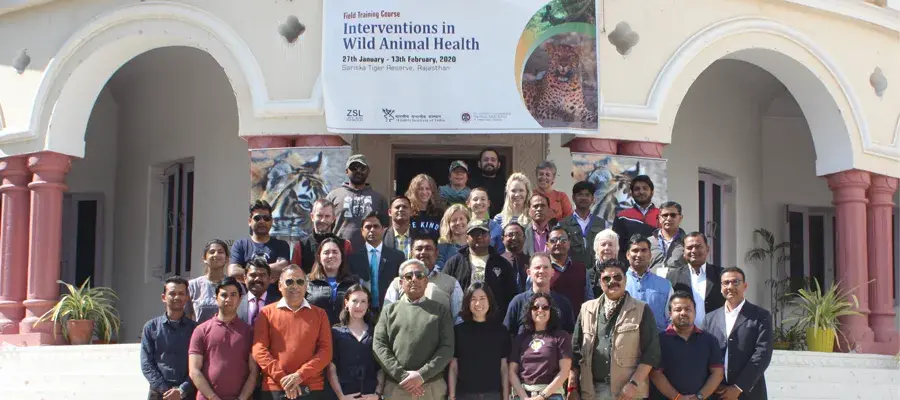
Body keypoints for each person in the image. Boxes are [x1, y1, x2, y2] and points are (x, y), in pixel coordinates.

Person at [569, 259, 660, 400]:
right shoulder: (586, 309)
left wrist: (634, 383)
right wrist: (572, 387)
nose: (612, 281)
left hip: (628, 392)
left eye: (617, 277)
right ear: (600, 282)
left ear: (625, 279)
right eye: (606, 278)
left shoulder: (641, 309)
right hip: (593, 391)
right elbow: (576, 352)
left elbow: (651, 353)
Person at [373, 259, 455, 400]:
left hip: (431, 388)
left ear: (426, 281)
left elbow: (447, 348)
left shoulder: (440, 311)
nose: (414, 279)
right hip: (397, 387)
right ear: (401, 282)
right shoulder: (389, 311)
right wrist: (403, 376)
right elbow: (379, 346)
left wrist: (422, 375)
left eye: (419, 275)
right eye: (409, 276)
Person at [252, 265, 333, 400]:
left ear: (306, 286)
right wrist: (283, 378)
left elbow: (326, 352)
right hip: (275, 388)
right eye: (289, 281)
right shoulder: (266, 313)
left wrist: (300, 375)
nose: (295, 286)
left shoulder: (320, 314)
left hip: (311, 388)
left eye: (300, 281)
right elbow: (259, 350)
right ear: (280, 285)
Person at [701, 267, 773, 400]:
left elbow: (762, 354)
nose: (730, 287)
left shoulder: (761, 316)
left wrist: (739, 387)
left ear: (745, 286)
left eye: (735, 282)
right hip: (716, 393)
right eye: (726, 283)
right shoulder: (710, 318)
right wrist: (713, 385)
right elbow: (704, 354)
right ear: (721, 287)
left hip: (749, 392)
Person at [188, 277, 259, 400]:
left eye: (233, 295)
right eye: (224, 295)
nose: (228, 299)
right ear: (216, 298)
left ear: (240, 299)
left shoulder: (249, 332)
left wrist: (241, 398)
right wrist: (213, 397)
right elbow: (194, 370)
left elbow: (254, 372)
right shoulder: (201, 330)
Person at [649, 291, 724, 400]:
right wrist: (677, 397)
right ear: (670, 314)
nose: (683, 313)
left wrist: (699, 397)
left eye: (688, 309)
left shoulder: (709, 340)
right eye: (678, 309)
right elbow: (655, 374)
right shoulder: (658, 341)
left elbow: (717, 373)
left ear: (695, 312)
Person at [442, 219, 519, 318]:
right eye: (474, 234)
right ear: (466, 238)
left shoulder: (503, 264)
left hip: (493, 321)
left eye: (483, 233)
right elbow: (444, 292)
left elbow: (511, 296)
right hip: (461, 320)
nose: (479, 237)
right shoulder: (454, 263)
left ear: (490, 236)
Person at [449, 283, 511, 400]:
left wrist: (506, 397)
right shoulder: (458, 331)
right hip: (465, 394)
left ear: (489, 301)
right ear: (467, 303)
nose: (478, 303)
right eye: (473, 299)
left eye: (482, 298)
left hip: (493, 394)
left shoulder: (501, 331)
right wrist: (452, 395)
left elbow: (504, 368)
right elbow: (453, 366)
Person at [140, 276, 198, 400]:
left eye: (181, 293)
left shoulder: (196, 329)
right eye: (172, 293)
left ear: (187, 298)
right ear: (163, 297)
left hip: (187, 394)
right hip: (159, 394)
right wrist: (165, 390)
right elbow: (146, 364)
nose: (177, 297)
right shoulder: (151, 327)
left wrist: (181, 390)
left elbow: (199, 365)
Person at [383, 234, 464, 321]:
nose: (423, 252)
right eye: (419, 249)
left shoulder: (451, 283)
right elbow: (387, 317)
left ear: (437, 253)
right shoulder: (398, 283)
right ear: (411, 253)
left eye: (428, 249)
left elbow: (458, 320)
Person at [508, 292, 572, 400]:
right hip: (523, 395)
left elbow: (565, 371)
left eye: (545, 307)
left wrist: (542, 396)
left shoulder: (561, 337)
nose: (540, 310)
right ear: (530, 311)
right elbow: (512, 372)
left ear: (551, 311)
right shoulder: (520, 338)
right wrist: (524, 397)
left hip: (551, 395)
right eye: (535, 307)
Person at [327, 284, 384, 400]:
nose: (359, 305)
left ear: (368, 305)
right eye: (355, 301)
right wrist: (341, 396)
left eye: (363, 301)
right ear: (346, 303)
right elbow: (331, 367)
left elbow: (381, 367)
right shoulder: (336, 332)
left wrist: (377, 394)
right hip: (344, 395)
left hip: (370, 395)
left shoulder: (376, 332)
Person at [229, 200, 291, 301]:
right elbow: (233, 272)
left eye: (266, 218)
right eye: (257, 218)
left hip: (274, 302)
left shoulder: (281, 245)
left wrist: (249, 273)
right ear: (250, 221)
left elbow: (282, 268)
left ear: (271, 221)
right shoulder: (240, 245)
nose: (262, 221)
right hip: (245, 302)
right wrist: (267, 273)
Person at [328, 154, 390, 252]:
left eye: (362, 168)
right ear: (346, 171)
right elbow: (327, 225)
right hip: (340, 252)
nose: (358, 171)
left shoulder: (379, 199)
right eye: (354, 167)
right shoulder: (333, 196)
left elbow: (385, 228)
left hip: (370, 253)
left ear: (368, 171)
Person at [504, 253, 575, 336]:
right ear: (529, 272)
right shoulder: (518, 302)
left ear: (552, 272)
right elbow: (507, 335)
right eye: (537, 267)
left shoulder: (563, 303)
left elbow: (570, 335)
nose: (541, 271)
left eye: (546, 267)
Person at [348, 211, 404, 312]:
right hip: (362, 311)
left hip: (390, 309)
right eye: (368, 227)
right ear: (362, 231)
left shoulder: (397, 257)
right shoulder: (353, 259)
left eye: (376, 226)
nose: (372, 230)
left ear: (383, 229)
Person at [666, 232, 725, 327]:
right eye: (689, 248)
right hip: (684, 332)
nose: (694, 251)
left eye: (698, 247)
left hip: (716, 331)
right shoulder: (673, 276)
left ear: (707, 249)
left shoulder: (721, 275)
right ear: (684, 252)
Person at [624, 234, 674, 332]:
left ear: (650, 255)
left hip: (658, 339)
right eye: (635, 250)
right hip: (627, 339)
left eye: (643, 250)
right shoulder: (618, 283)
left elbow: (671, 318)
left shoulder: (665, 285)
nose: (639, 255)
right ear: (627, 255)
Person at [306, 237, 361, 325]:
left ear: (341, 256)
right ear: (319, 257)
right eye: (326, 252)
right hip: (315, 330)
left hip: (345, 331)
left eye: (335, 252)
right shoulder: (307, 281)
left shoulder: (353, 282)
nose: (331, 256)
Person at [295, 199, 353, 274]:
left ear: (333, 219)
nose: (323, 220)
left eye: (327, 216)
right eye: (319, 215)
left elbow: (349, 273)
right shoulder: (301, 246)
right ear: (312, 217)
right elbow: (295, 275)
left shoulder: (345, 245)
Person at [561, 181, 606, 272]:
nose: (583, 198)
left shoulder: (602, 224)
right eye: (580, 195)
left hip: (597, 273)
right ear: (573, 198)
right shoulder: (563, 224)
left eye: (587, 195)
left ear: (593, 199)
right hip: (571, 272)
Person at [611, 176, 659, 260]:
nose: (641, 192)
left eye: (645, 188)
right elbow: (617, 248)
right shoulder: (622, 217)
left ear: (652, 192)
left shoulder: (663, 216)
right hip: (629, 265)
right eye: (637, 189)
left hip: (657, 264)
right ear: (632, 193)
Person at [186, 239, 231, 323]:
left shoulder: (233, 285)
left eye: (220, 252)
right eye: (212, 252)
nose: (216, 255)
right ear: (204, 258)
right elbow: (186, 317)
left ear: (227, 258)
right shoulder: (193, 286)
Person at [648, 201, 686, 278]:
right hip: (652, 284)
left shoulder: (686, 242)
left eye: (673, 215)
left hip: (677, 284)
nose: (668, 218)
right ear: (659, 218)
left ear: (680, 218)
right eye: (665, 215)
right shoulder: (648, 242)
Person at [237, 257, 279, 326]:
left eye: (262, 275)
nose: (257, 279)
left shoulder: (278, 304)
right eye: (253, 275)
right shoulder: (236, 303)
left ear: (269, 279)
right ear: (245, 278)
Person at [469, 148, 507, 216]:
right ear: (479, 164)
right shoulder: (470, 184)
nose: (489, 162)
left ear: (498, 164)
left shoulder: (507, 186)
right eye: (486, 160)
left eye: (493, 160)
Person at [467, 187, 504, 253]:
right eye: (475, 199)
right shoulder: (463, 225)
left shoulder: (496, 228)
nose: (479, 202)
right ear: (468, 203)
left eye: (483, 199)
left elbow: (500, 252)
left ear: (488, 203)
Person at [436, 204, 471, 271]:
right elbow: (438, 268)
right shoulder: (443, 246)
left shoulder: (475, 245)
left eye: (461, 219)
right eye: (454, 220)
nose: (458, 222)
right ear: (448, 224)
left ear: (468, 221)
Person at [500, 221, 529, 292]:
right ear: (502, 239)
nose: (514, 238)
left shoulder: (531, 262)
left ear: (524, 237)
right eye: (510, 235)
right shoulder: (497, 262)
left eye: (518, 234)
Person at [589, 229, 620, 297]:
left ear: (617, 249)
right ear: (596, 249)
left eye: (610, 245)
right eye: (603, 244)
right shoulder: (588, 275)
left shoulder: (624, 274)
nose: (607, 248)